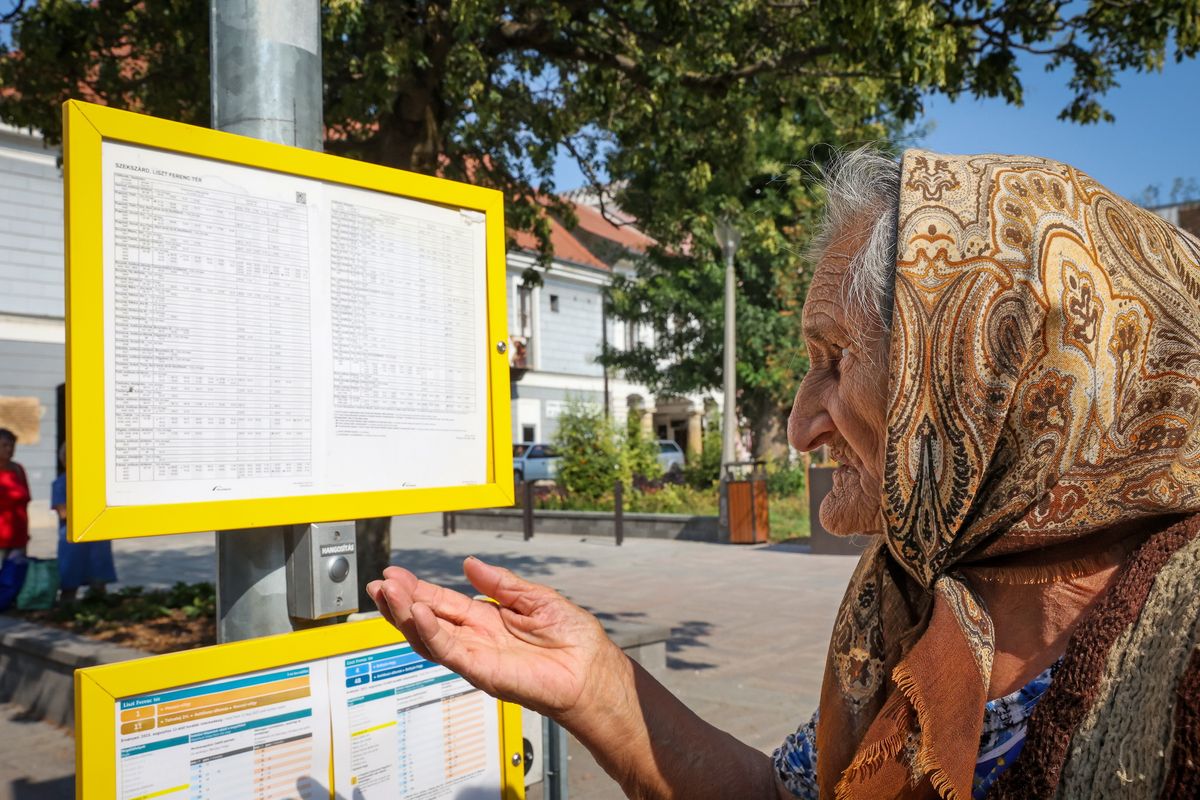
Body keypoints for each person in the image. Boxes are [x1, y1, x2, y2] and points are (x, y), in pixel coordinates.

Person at [367, 149, 1200, 799]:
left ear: (1001, 373)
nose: (801, 426)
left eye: (837, 360)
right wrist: (600, 686)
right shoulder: (914, 594)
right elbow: (784, 792)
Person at [52, 443, 117, 602]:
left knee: (99, 580)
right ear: (64, 460)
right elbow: (64, 513)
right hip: (73, 538)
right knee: (69, 580)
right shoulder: (61, 483)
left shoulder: (95, 480)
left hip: (97, 536)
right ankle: (66, 612)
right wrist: (90, 509)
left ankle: (98, 611)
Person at [0, 428, 31, 563]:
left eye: (12, 446)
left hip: (18, 538)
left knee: (15, 580)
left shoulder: (18, 469)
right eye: (4, 445)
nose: (9, 449)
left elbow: (26, 499)